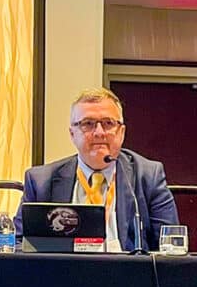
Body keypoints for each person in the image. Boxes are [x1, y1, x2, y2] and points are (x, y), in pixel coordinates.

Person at [14, 88, 179, 252]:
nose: (99, 132)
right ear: (72, 134)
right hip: (65, 273)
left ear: (121, 132)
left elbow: (170, 246)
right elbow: (19, 244)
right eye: (88, 124)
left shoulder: (148, 176)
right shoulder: (41, 181)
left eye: (108, 123)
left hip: (128, 274)